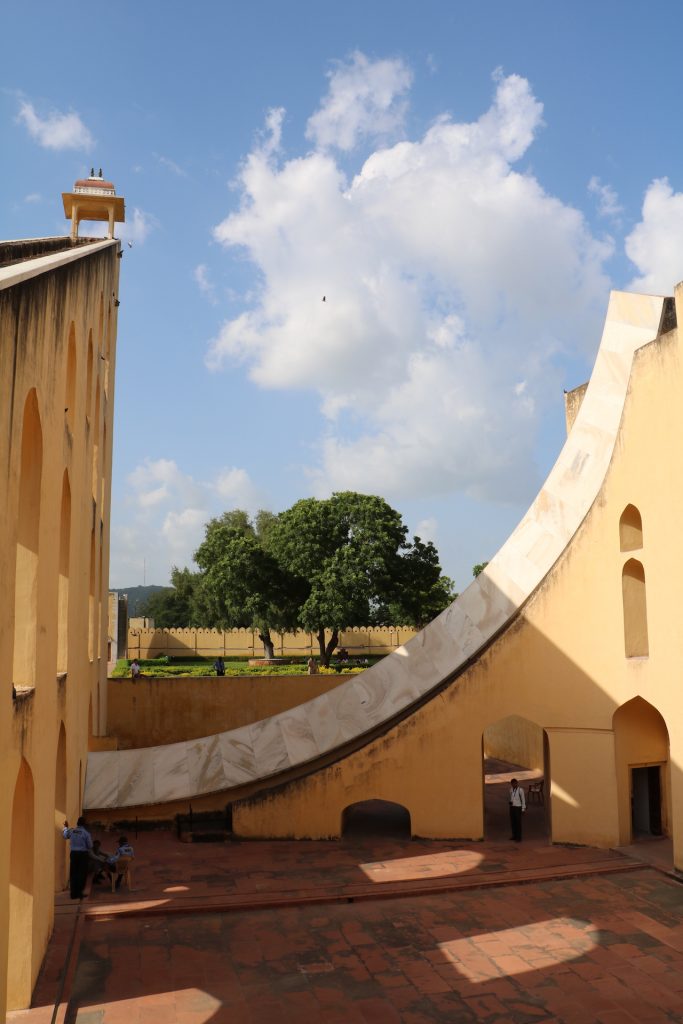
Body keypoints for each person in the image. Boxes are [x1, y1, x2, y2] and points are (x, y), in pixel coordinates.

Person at [63, 816, 93, 899]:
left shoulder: (72, 831)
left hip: (73, 854)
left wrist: (65, 827)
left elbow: (65, 836)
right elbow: (90, 845)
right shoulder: (86, 833)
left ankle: (73, 894)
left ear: (77, 823)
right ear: (85, 824)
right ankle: (80, 893)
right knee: (82, 874)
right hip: (83, 855)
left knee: (73, 873)